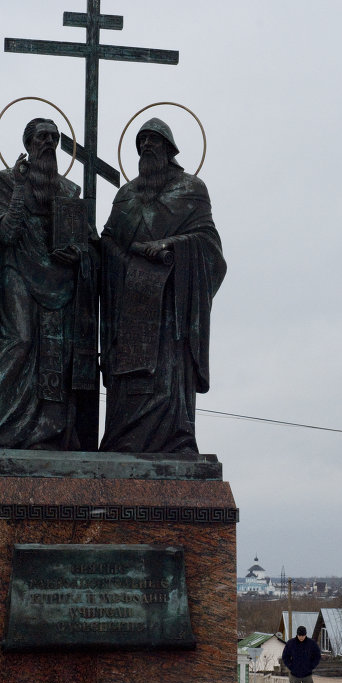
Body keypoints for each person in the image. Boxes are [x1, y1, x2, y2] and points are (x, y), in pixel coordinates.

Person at [99, 117, 227, 453]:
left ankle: (175, 440)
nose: (146, 148)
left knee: (168, 376)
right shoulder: (125, 195)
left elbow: (209, 244)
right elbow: (108, 240)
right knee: (130, 381)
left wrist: (171, 245)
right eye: (141, 143)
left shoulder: (192, 189)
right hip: (131, 301)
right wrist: (125, 262)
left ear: (168, 149)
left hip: (172, 299)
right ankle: (123, 442)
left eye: (153, 142)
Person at [0, 118, 97, 449]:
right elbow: (6, 233)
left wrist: (80, 255)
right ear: (28, 143)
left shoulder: (69, 191)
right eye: (42, 137)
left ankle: (46, 435)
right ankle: (6, 428)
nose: (49, 143)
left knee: (54, 354)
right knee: (20, 341)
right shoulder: (5, 183)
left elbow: (87, 240)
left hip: (58, 280)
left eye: (54, 138)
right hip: (16, 271)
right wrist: (19, 188)